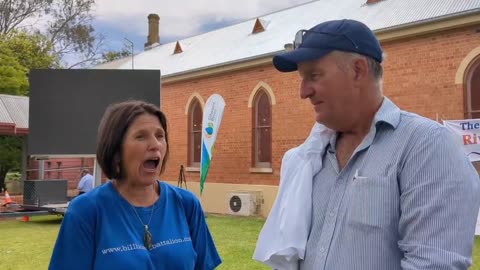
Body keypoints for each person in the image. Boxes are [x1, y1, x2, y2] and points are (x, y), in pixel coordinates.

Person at [253, 19, 480, 270]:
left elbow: (434, 264)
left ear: (357, 70)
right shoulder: (307, 160)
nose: (303, 92)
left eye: (313, 75)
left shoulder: (426, 146)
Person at [49, 100, 221, 270]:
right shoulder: (86, 211)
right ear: (116, 150)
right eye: (141, 136)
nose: (155, 145)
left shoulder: (186, 204)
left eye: (160, 136)